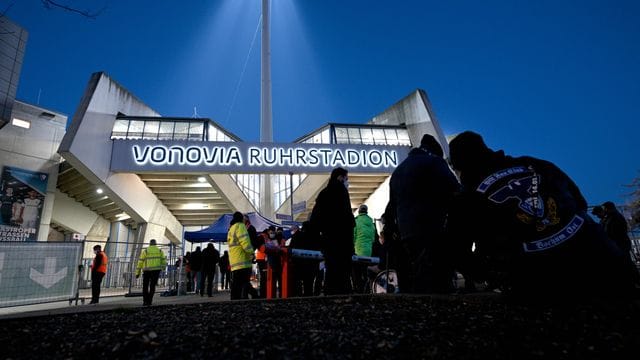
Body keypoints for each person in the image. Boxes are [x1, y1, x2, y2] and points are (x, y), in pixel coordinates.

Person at [448, 131, 636, 299]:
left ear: (460, 166)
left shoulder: (466, 198)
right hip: (610, 265)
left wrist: (492, 274)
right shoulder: (537, 165)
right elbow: (580, 202)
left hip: (543, 287)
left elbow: (457, 251)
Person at [388, 134, 460, 294]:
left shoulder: (398, 171)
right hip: (432, 223)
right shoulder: (434, 161)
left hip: (407, 229)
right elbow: (455, 188)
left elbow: (392, 205)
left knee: (420, 266)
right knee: (438, 269)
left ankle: (421, 302)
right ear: (434, 151)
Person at [309, 167, 355, 295]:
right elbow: (347, 218)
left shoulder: (324, 193)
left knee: (331, 269)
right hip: (343, 239)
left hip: (328, 239)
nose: (347, 181)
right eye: (346, 178)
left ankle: (330, 294)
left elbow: (315, 219)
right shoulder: (342, 192)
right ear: (340, 177)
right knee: (343, 271)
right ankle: (344, 293)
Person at [228, 212, 258, 300]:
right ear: (241, 219)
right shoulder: (240, 226)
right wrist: (251, 253)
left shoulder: (231, 228)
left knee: (237, 282)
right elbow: (245, 243)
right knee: (244, 281)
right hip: (243, 259)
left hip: (235, 260)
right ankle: (253, 295)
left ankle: (235, 298)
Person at [135, 239, 167, 306]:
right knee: (152, 286)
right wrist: (163, 268)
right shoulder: (160, 251)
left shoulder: (146, 251)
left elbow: (140, 262)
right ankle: (150, 301)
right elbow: (164, 261)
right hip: (156, 271)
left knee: (145, 286)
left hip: (146, 271)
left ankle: (145, 301)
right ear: (156, 244)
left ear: (150, 244)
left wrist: (137, 273)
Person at [352, 204, 376, 293]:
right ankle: (367, 289)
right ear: (366, 211)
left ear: (359, 211)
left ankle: (359, 290)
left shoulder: (356, 221)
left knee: (357, 272)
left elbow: (353, 236)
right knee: (366, 271)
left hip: (358, 250)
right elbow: (373, 238)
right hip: (368, 251)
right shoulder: (371, 222)